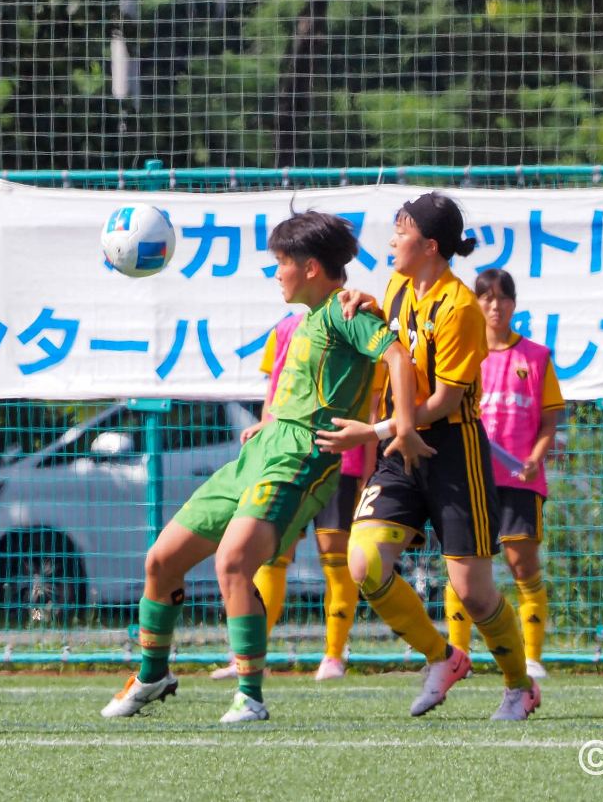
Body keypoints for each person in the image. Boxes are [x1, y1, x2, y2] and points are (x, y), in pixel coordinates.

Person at [101, 211, 428, 723]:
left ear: (313, 267)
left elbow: (398, 359)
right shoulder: (305, 319)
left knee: (232, 563)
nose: (277, 272)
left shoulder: (348, 313)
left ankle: (250, 696)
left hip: (302, 458)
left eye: (282, 262)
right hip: (262, 450)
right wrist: (269, 419)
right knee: (160, 562)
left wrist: (398, 427)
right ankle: (152, 674)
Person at [324, 192, 540, 721]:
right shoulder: (398, 285)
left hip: (451, 450)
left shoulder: (461, 308)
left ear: (431, 244)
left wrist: (374, 429)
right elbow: (395, 338)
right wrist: (365, 305)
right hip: (402, 445)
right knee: (364, 562)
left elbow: (443, 400)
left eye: (402, 228)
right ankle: (443, 657)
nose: (393, 237)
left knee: (473, 591)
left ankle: (519, 686)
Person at [211, 313, 373, 683]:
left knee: (336, 557)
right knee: (271, 555)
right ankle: (250, 655)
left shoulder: (354, 323)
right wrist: (267, 426)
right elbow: (276, 390)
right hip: (288, 458)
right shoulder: (284, 328)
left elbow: (372, 401)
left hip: (341, 459)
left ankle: (334, 655)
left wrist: (367, 467)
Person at [445, 268, 562, 681]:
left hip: (520, 482)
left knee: (521, 565)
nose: (495, 306)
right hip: (468, 477)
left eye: (503, 298)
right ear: (476, 305)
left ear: (514, 303)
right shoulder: (463, 355)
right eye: (486, 298)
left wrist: (534, 456)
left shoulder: (535, 356)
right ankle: (457, 654)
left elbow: (550, 422)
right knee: (461, 566)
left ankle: (531, 657)